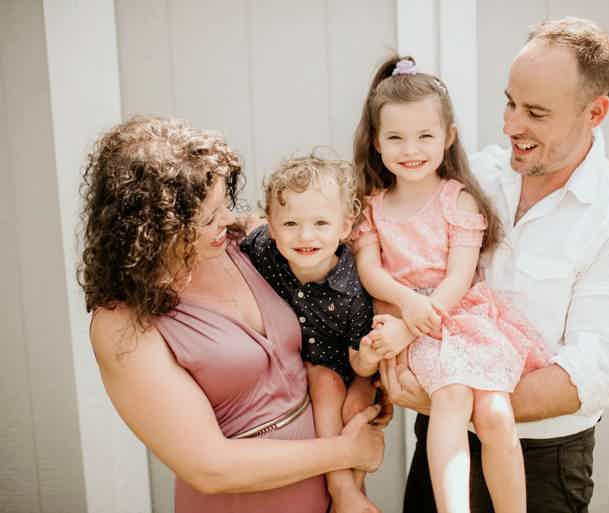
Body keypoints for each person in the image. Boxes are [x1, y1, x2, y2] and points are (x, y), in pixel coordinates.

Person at [376, 18, 609, 513]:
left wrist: (450, 396)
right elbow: (389, 233)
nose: (512, 125)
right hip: (443, 443)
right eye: (509, 102)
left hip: (542, 463)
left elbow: (584, 378)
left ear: (594, 112)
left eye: (535, 112)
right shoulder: (475, 177)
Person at [79, 116, 387, 513]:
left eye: (225, 204)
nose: (227, 219)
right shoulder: (122, 324)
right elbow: (209, 468)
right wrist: (345, 451)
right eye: (208, 217)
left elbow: (343, 273)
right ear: (154, 228)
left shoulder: (245, 245)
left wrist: (368, 379)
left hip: (332, 496)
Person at [350, 56, 552, 513]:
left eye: (425, 135)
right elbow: (371, 270)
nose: (411, 148)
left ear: (449, 137)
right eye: (396, 137)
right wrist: (405, 313)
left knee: (497, 415)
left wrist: (420, 318)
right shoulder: (373, 206)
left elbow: (461, 275)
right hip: (406, 316)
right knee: (452, 398)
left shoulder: (457, 199)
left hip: (460, 314)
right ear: (376, 142)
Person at [239, 153, 380, 513]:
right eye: (290, 224)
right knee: (321, 382)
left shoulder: (351, 289)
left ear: (345, 227)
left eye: (321, 223)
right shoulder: (264, 250)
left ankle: (346, 492)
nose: (305, 236)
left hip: (339, 367)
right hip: (287, 361)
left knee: (344, 398)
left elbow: (361, 367)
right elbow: (237, 236)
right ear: (271, 225)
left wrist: (368, 358)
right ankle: (344, 490)